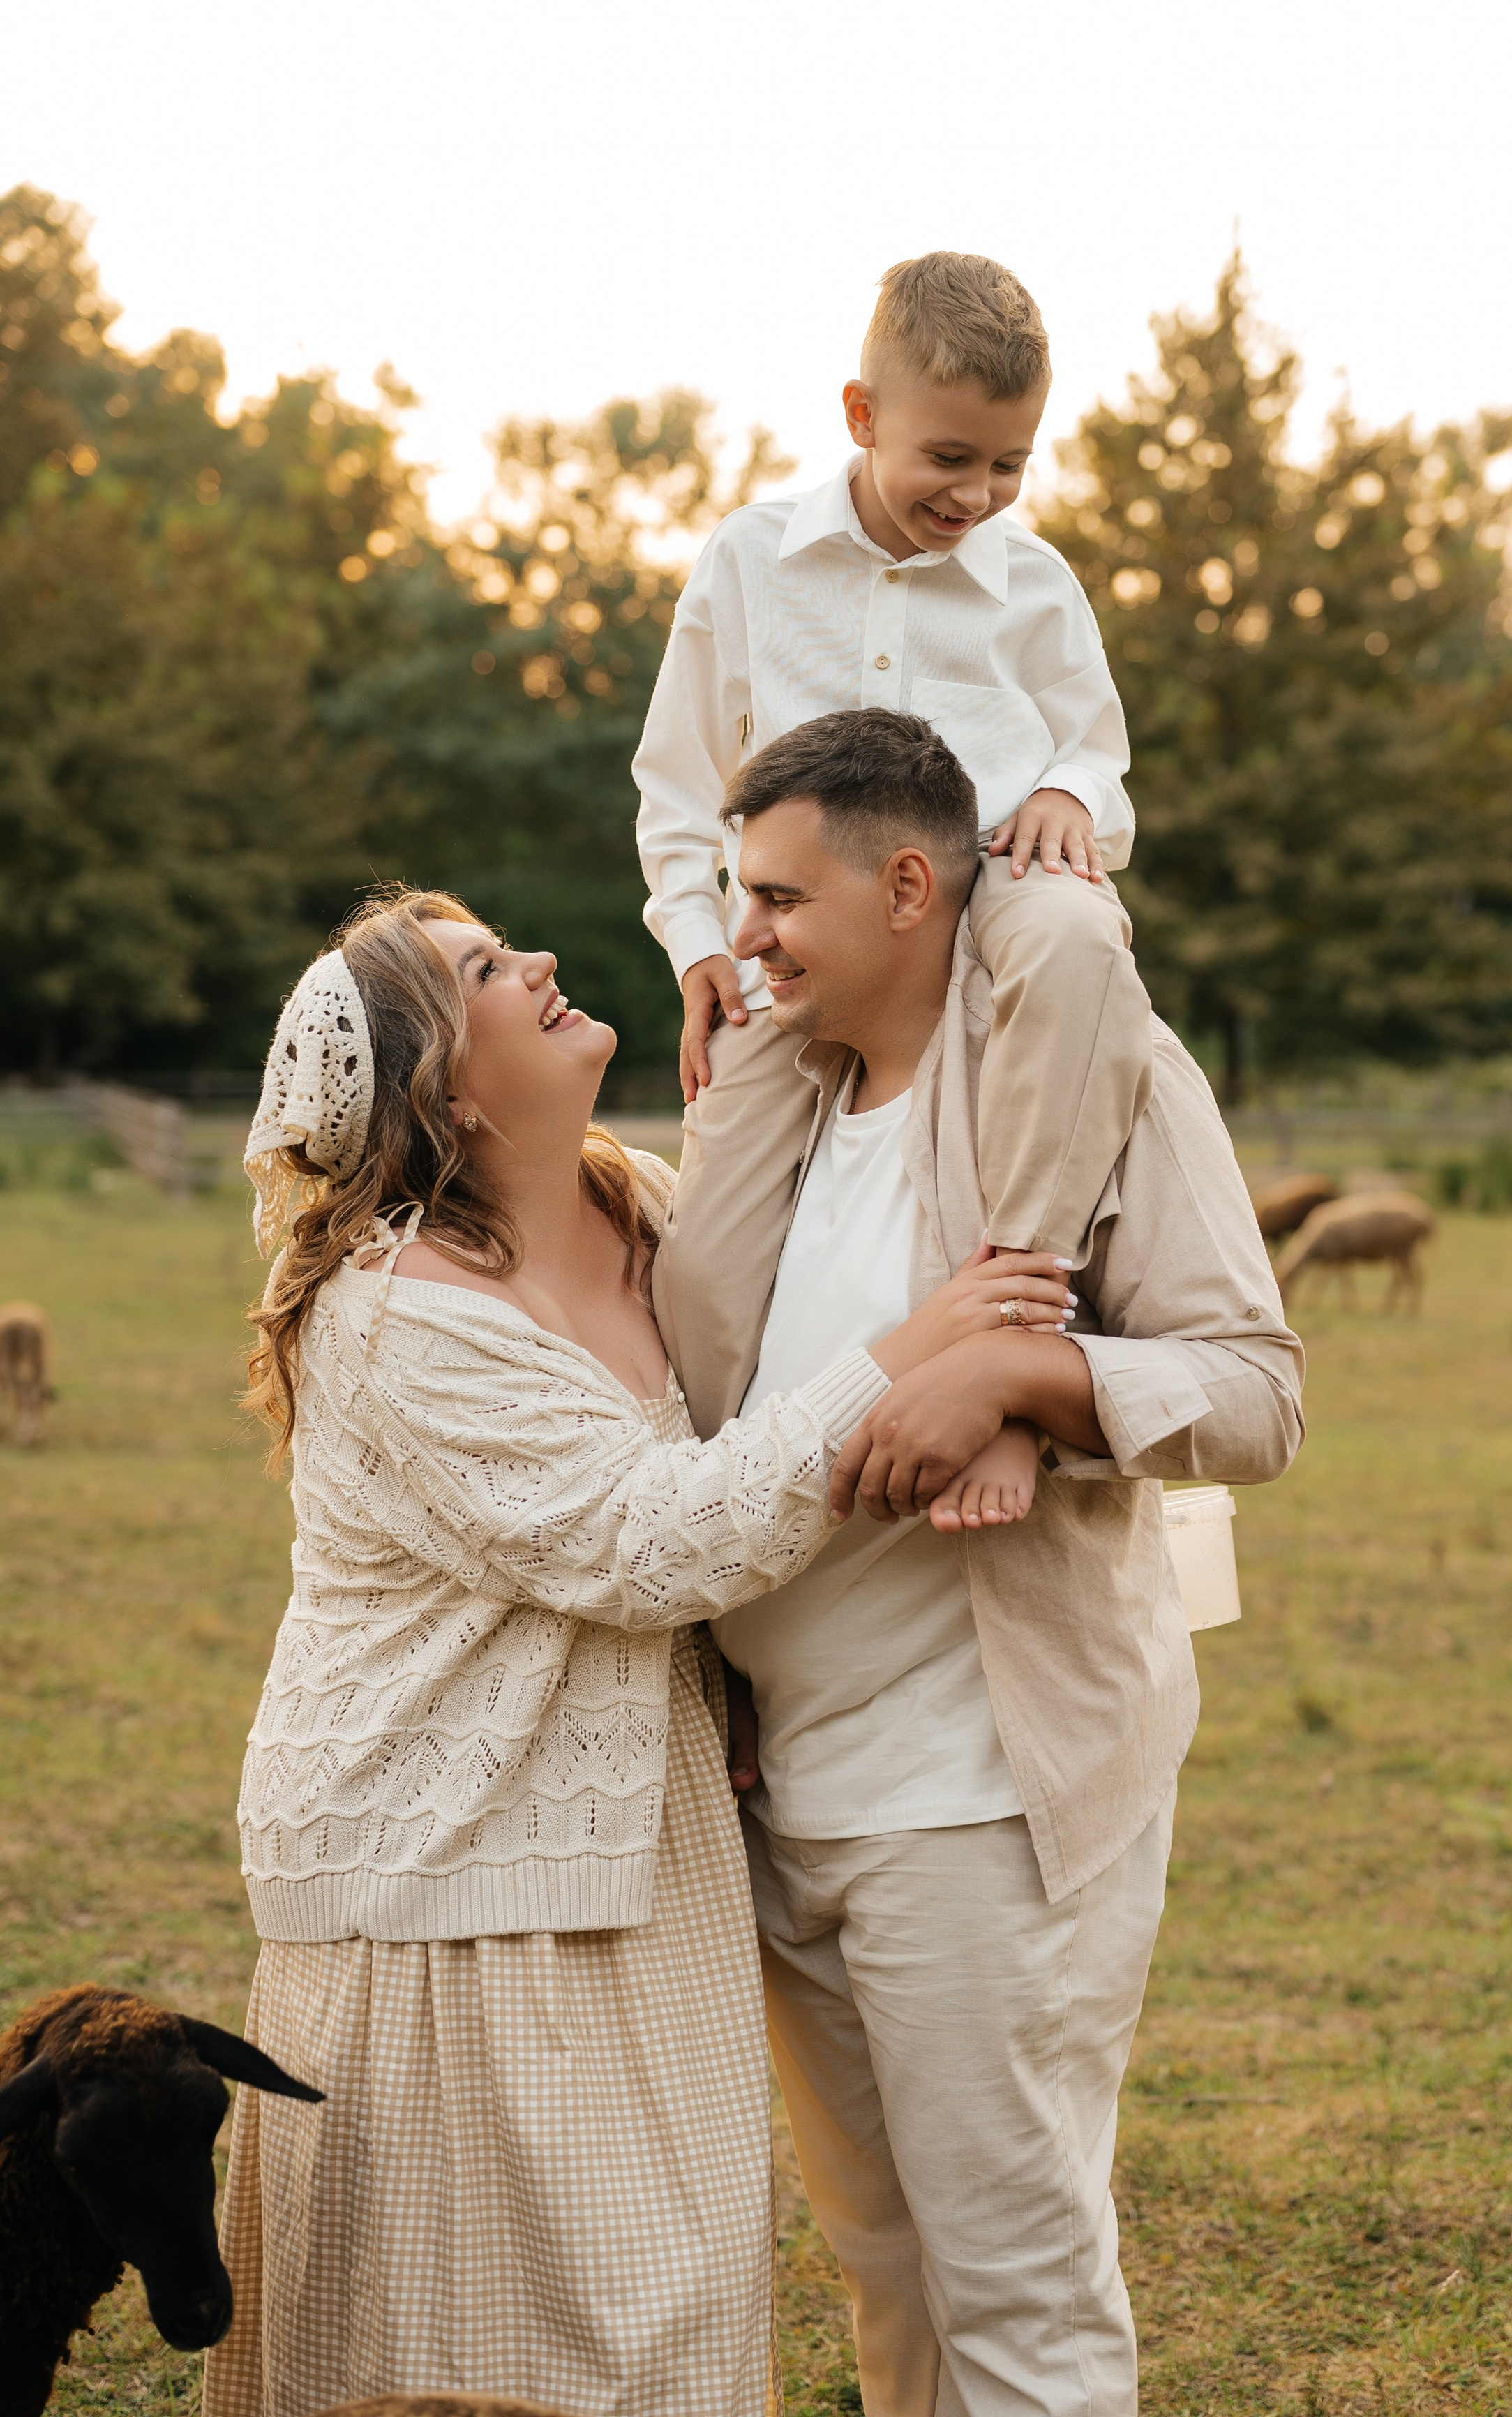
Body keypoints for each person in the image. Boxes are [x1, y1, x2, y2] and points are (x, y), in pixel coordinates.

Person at [203, 886, 1075, 2417]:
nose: (540, 959)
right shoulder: (389, 1318)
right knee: (475, 2354)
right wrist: (919, 1348)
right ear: (446, 1093)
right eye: (485, 968)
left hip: (645, 1844)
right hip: (445, 1877)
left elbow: (727, 1439)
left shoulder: (644, 1205)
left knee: (667, 2307)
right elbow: (647, 1538)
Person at [689, 711, 1307, 2417]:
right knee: (883, 2266)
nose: (744, 933)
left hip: (979, 1800)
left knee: (1014, 2283)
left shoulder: (1103, 1072)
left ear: (908, 886)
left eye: (777, 897)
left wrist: (1025, 1378)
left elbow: (1255, 1391)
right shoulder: (776, 1107)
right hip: (786, 1796)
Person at [634, 248, 1156, 1438]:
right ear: (863, 416)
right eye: (949, 457)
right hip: (799, 933)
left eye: (1010, 464)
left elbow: (1099, 753)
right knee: (704, 1269)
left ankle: (1020, 1290)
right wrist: (697, 943)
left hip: (990, 889)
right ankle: (713, 1480)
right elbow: (677, 779)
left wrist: (1070, 793)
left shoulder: (1037, 585)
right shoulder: (750, 561)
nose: (977, 494)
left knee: (1078, 930)